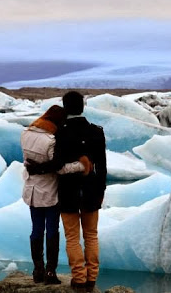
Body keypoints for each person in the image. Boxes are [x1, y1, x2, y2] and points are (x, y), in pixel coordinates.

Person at [21, 105, 92, 285]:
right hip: (50, 191)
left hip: (32, 190)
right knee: (52, 230)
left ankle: (37, 271)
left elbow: (28, 162)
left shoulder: (25, 134)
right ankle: (50, 273)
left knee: (36, 229)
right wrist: (81, 165)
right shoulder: (51, 140)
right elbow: (59, 168)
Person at [55, 91, 107, 292]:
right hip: (92, 189)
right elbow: (102, 165)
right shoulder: (96, 131)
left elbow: (58, 164)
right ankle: (92, 277)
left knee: (72, 237)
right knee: (91, 235)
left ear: (65, 108)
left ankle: (79, 278)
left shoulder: (60, 132)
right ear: (83, 106)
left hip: (68, 190)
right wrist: (101, 189)